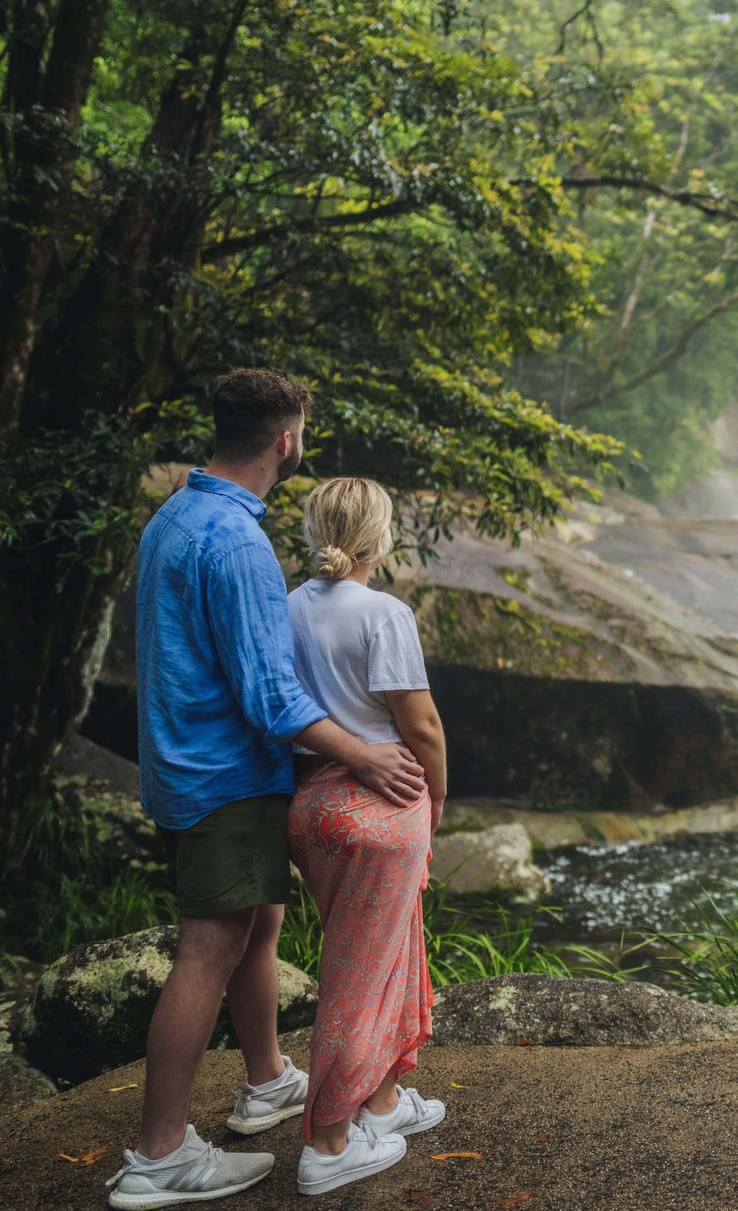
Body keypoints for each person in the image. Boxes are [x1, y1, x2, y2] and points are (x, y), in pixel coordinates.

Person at [107, 370, 428, 1210]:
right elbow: (270, 697)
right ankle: (160, 1155)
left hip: (181, 760)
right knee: (208, 947)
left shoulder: (176, 515)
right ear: (286, 441)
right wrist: (361, 756)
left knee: (261, 925)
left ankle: (266, 1080)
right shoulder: (240, 544)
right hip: (227, 773)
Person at [285, 476, 450, 1196]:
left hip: (312, 802)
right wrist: (438, 798)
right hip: (382, 801)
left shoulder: (283, 608)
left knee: (377, 955)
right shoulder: (383, 611)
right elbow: (420, 726)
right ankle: (327, 1143)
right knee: (360, 978)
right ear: (379, 540)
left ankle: (381, 1105)